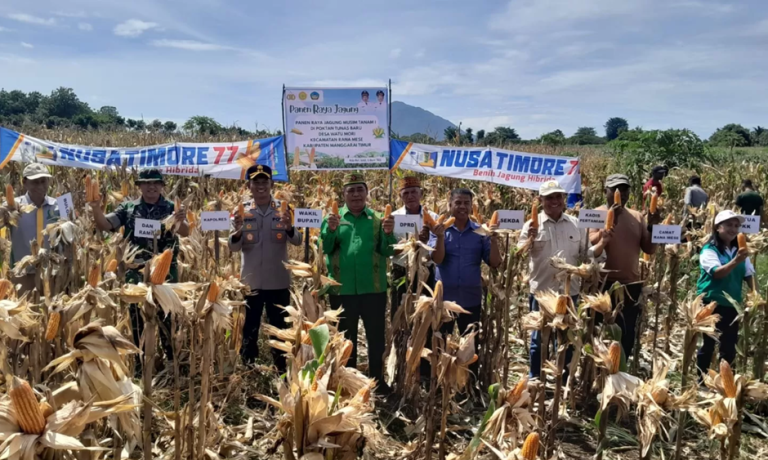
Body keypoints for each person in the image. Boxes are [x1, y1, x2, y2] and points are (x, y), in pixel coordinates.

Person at [90, 168, 189, 360]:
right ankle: (140, 361)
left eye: (155, 183)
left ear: (161, 186)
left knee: (167, 317)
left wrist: (181, 219)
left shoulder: (171, 208)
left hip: (165, 274)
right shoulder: (128, 208)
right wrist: (95, 208)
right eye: (146, 182)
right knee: (136, 317)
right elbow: (105, 224)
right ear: (140, 186)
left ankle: (171, 360)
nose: (151, 186)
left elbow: (185, 232)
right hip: (135, 272)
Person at [519, 181, 610, 380]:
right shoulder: (531, 226)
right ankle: (536, 378)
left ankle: (564, 379)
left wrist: (603, 242)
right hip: (543, 292)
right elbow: (519, 255)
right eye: (549, 197)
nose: (555, 201)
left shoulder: (576, 224)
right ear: (540, 200)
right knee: (539, 339)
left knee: (567, 338)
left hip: (570, 292)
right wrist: (529, 241)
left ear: (564, 199)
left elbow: (586, 256)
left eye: (558, 197)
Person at [321, 173, 396, 388]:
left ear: (366, 193)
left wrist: (389, 234)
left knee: (375, 338)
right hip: (342, 290)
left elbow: (387, 250)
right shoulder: (333, 219)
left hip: (373, 288)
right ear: (343, 194)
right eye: (350, 190)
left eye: (359, 190)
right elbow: (325, 247)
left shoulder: (379, 219)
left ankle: (377, 380)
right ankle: (348, 382)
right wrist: (332, 230)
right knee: (346, 339)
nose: (355, 194)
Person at [230, 165, 301, 371]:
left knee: (279, 330)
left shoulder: (284, 209)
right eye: (256, 182)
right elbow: (233, 246)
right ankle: (248, 369)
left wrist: (289, 228)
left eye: (264, 182)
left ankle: (281, 371)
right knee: (249, 329)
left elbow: (297, 241)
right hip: (250, 282)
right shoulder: (241, 211)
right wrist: (236, 232)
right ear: (249, 186)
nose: (260, 186)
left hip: (278, 281)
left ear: (271, 184)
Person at [589, 174, 660, 359]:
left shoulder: (637, 217)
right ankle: (597, 374)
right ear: (605, 191)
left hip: (630, 284)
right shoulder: (595, 214)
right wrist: (611, 223)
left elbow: (649, 249)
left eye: (625, 189)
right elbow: (588, 246)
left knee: (626, 334)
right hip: (601, 284)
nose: (621, 193)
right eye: (615, 189)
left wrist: (653, 227)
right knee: (598, 333)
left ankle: (622, 370)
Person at [432, 189, 502, 338]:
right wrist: (439, 237)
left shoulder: (481, 232)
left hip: (470, 298)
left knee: (470, 348)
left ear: (471, 207)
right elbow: (437, 259)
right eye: (458, 203)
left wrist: (494, 240)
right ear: (449, 205)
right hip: (443, 299)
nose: (462, 206)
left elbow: (494, 262)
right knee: (441, 345)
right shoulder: (439, 230)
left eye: (466, 203)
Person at [695, 211, 754, 378]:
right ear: (718, 227)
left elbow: (749, 274)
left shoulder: (739, 250)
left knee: (729, 346)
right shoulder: (709, 249)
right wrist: (736, 260)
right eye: (729, 225)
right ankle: (702, 379)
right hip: (710, 303)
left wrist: (755, 294)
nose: (733, 229)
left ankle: (725, 381)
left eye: (736, 226)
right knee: (708, 344)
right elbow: (717, 273)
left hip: (732, 304)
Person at [6, 164, 60, 295]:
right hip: (23, 273)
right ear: (24, 182)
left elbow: (74, 233)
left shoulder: (61, 205)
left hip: (53, 274)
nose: (41, 186)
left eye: (44, 181)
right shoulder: (12, 207)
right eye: (35, 182)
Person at [391, 176, 438, 320]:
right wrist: (411, 244)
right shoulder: (393, 218)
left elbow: (437, 248)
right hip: (401, 271)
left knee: (425, 316)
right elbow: (389, 248)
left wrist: (425, 243)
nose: (410, 196)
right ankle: (399, 341)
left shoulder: (433, 217)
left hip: (425, 272)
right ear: (400, 196)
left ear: (421, 194)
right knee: (400, 314)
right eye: (406, 193)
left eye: (414, 192)